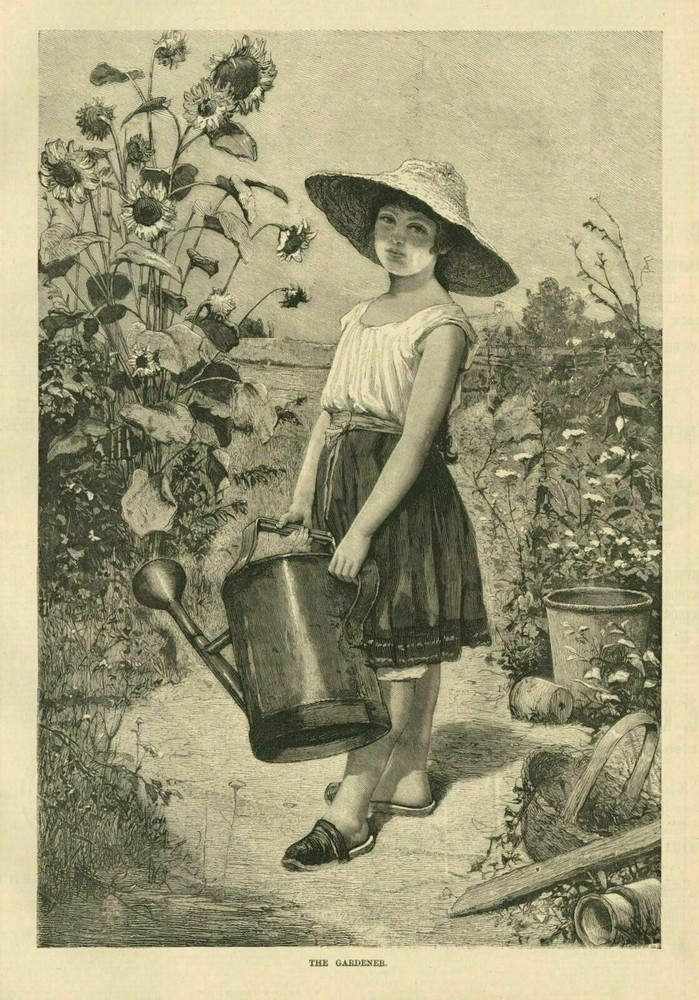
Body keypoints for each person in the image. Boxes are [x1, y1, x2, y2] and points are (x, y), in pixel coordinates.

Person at [276, 159, 517, 871]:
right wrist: (300, 499)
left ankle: (348, 816)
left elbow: (414, 441)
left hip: (399, 501)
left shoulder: (442, 326)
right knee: (388, 641)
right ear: (370, 228)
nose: (398, 238)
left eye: (418, 227)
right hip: (341, 488)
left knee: (393, 649)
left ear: (442, 242)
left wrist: (361, 529)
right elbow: (328, 417)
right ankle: (407, 771)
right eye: (388, 222)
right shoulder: (358, 315)